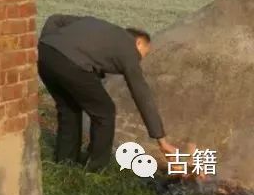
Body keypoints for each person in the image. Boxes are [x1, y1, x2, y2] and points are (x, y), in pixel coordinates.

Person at [37, 13, 177, 171]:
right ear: (138, 42)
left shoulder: (103, 29)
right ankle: (94, 168)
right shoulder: (128, 49)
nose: (139, 60)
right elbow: (141, 94)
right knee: (105, 112)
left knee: (69, 109)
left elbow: (55, 19)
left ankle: (65, 163)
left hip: (45, 55)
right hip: (71, 64)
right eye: (142, 54)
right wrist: (161, 140)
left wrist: (48, 42)